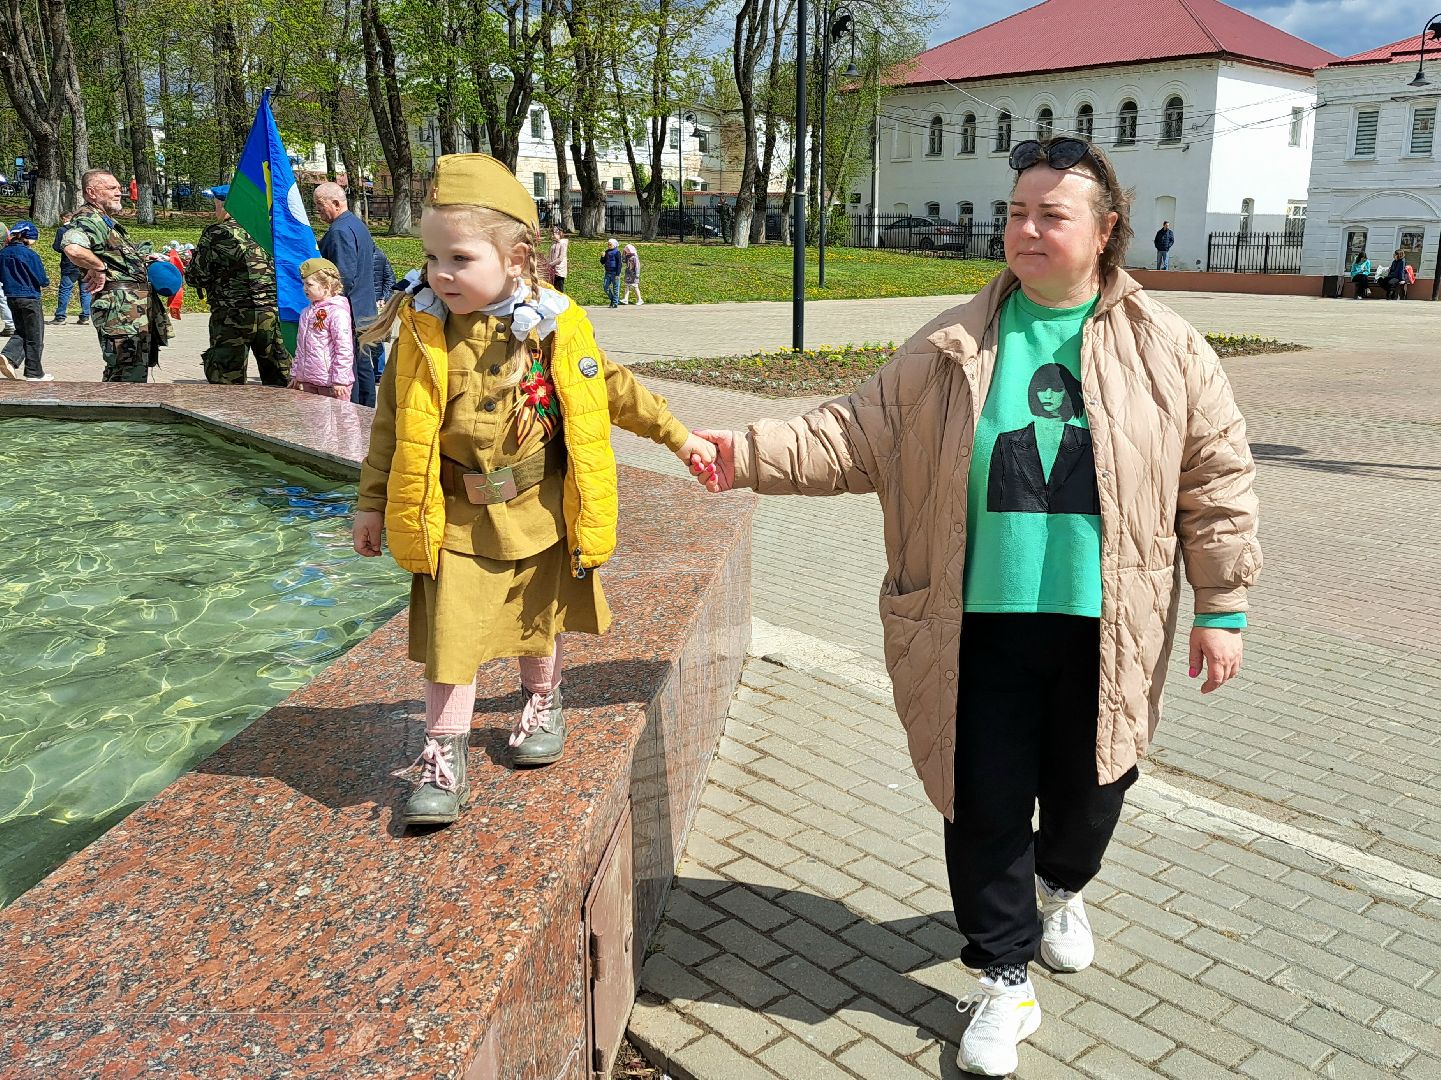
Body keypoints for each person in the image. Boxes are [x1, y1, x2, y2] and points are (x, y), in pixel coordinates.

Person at [686, 135, 1260, 1078]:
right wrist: (742, 452)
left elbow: (1217, 477)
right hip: (973, 622)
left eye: (1050, 214)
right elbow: (852, 432)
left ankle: (1064, 885)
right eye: (1016, 212)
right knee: (983, 800)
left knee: (1091, 791)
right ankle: (1001, 975)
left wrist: (1221, 605)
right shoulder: (954, 342)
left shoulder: (1169, 350)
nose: (1026, 230)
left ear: (1104, 229)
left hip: (1105, 622)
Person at [351, 153, 717, 827]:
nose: (439, 273)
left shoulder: (552, 326)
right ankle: (442, 754)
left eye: (458, 258)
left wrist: (680, 436)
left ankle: (539, 704)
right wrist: (371, 503)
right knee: (450, 638)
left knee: (537, 621)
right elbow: (391, 425)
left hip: (538, 512)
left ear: (517, 258)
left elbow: (610, 389)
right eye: (431, 257)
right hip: (457, 516)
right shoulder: (424, 332)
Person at [62, 169, 165, 382]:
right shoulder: (88, 219)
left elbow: (117, 258)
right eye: (111, 188)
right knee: (126, 373)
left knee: (129, 370)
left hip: (131, 311)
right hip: (120, 313)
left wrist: (146, 259)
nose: (119, 192)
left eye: (119, 188)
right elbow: (73, 248)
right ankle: (120, 414)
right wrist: (98, 267)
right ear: (91, 192)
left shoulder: (104, 220)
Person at [185, 185, 292, 387]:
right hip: (270, 314)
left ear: (225, 206)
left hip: (231, 316)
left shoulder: (216, 233)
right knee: (280, 378)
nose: (215, 211)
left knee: (227, 381)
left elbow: (196, 277)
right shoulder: (266, 230)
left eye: (216, 206)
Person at [314, 181, 380, 406]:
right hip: (363, 308)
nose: (318, 211)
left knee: (349, 366)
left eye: (320, 206)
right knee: (363, 365)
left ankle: (353, 411)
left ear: (335, 202)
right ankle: (367, 410)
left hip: (349, 311)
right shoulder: (356, 225)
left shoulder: (339, 230)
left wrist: (330, 304)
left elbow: (344, 276)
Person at [289, 257, 354, 398]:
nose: (305, 288)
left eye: (309, 285)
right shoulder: (306, 312)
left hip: (331, 383)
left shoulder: (337, 312)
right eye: (304, 284)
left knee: (336, 419)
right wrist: (296, 373)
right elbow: (301, 348)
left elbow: (344, 348)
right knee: (312, 419)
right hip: (309, 380)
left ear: (327, 287)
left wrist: (340, 380)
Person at [0, 221, 51, 381]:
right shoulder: (30, 255)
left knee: (22, 331)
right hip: (29, 297)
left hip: (11, 297)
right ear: (28, 238)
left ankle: (8, 357)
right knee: (35, 336)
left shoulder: (3, 253)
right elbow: (41, 278)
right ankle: (34, 372)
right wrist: (45, 282)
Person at [51, 210, 91, 326]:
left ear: (63, 218)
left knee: (65, 290)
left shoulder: (62, 230)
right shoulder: (83, 229)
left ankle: (60, 316)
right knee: (85, 291)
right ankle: (85, 316)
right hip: (84, 264)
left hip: (68, 264)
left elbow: (58, 247)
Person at [371, 247, 396, 376]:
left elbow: (390, 279)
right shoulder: (379, 253)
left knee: (377, 338)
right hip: (366, 300)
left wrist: (383, 297)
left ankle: (379, 372)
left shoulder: (379, 255)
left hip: (376, 303)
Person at [543, 226, 568, 293]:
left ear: (559, 233)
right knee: (552, 289)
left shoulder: (563, 243)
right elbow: (550, 255)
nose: (552, 235)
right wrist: (547, 262)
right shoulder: (554, 243)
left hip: (559, 270)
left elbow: (560, 258)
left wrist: (551, 264)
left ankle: (560, 302)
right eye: (552, 233)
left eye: (554, 233)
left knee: (558, 289)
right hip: (552, 269)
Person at [600, 237, 622, 307]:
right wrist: (602, 257)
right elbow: (602, 262)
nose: (609, 246)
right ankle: (612, 299)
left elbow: (619, 264)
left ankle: (615, 303)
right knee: (605, 287)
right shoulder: (606, 252)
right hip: (608, 272)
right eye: (608, 244)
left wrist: (618, 274)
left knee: (615, 288)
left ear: (614, 245)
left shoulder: (617, 252)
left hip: (615, 273)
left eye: (610, 245)